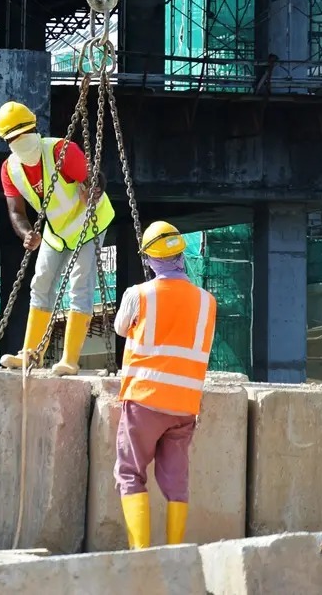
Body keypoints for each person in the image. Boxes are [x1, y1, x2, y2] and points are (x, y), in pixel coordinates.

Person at [113, 221, 217, 549]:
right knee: (177, 482)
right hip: (184, 405)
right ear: (181, 256)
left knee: (130, 474)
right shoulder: (207, 301)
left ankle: (141, 555)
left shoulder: (139, 294)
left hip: (144, 399)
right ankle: (175, 552)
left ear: (149, 259)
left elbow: (120, 328)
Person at [0, 101, 115, 376]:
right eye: (14, 137)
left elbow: (95, 178)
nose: (21, 140)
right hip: (57, 230)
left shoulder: (60, 150)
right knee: (40, 283)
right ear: (6, 141)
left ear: (35, 129)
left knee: (80, 286)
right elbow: (16, 212)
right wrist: (27, 233)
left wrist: (93, 190)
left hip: (89, 223)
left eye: (24, 133)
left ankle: (69, 360)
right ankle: (31, 355)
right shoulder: (10, 169)